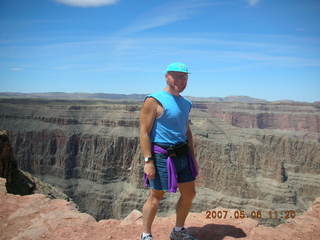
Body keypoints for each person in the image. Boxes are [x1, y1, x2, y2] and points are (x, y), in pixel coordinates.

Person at [139, 62, 199, 240]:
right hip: (161, 156)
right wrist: (148, 161)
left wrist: (193, 157)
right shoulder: (153, 100)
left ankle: (178, 231)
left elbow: (186, 130)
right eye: (176, 76)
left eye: (184, 77)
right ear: (167, 76)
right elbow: (144, 131)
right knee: (156, 197)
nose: (181, 80)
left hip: (182, 154)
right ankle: (146, 234)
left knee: (190, 194)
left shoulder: (186, 103)